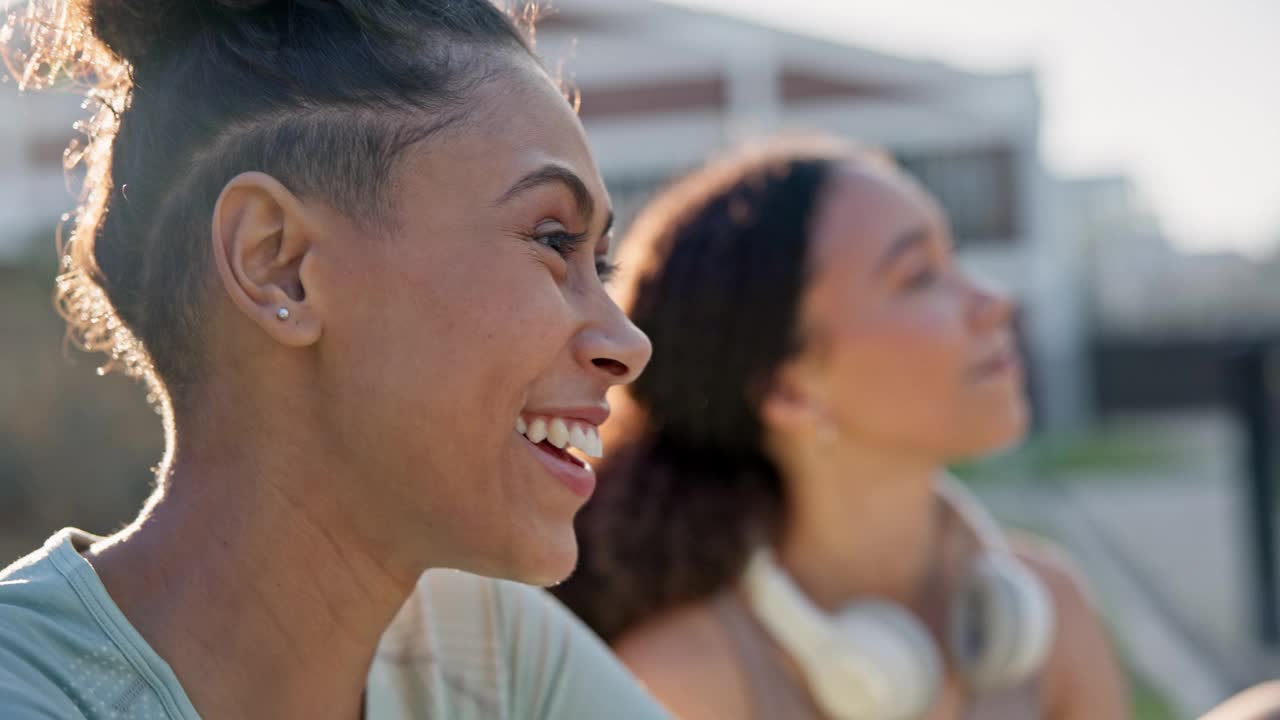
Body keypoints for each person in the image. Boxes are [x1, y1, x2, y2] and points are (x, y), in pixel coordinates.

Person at [0, 1, 664, 718]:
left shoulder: (488, 655)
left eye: (602, 264)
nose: (629, 345)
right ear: (278, 264)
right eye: (553, 239)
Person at [552, 136, 1130, 720]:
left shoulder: (1054, 608)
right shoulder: (683, 683)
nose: (993, 302)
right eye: (918, 276)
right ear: (789, 390)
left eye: (953, 260)